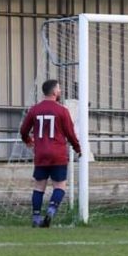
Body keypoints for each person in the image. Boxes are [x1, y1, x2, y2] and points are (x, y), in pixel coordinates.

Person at [19, 80, 82, 228]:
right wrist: (78, 148)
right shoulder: (62, 110)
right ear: (54, 92)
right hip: (58, 154)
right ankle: (51, 210)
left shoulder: (34, 109)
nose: (60, 91)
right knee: (59, 186)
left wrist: (28, 140)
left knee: (39, 187)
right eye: (59, 89)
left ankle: (36, 217)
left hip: (41, 154)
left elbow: (23, 131)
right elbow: (70, 134)